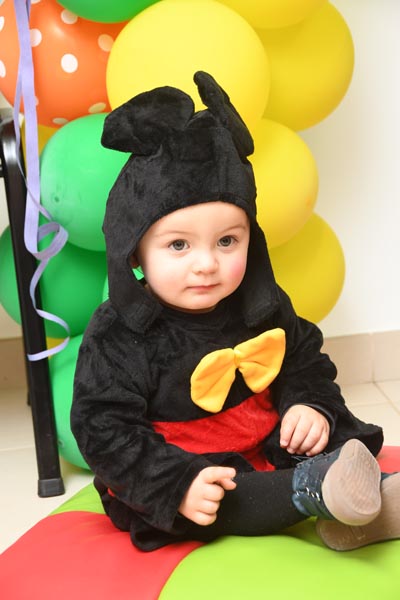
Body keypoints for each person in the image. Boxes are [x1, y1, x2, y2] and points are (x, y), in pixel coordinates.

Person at [71, 71, 399, 553]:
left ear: (251, 238)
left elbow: (305, 360)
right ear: (135, 251)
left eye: (227, 241)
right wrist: (176, 482)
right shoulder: (119, 332)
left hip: (267, 439)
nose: (207, 264)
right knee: (209, 498)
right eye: (178, 245)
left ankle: (364, 501)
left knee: (328, 433)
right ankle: (310, 492)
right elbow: (103, 427)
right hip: (184, 467)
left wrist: (308, 405)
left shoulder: (260, 301)